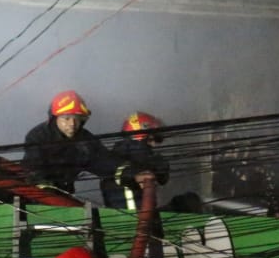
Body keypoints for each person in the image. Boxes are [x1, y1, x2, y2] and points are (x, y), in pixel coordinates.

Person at [22, 90, 155, 201]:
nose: (72, 124)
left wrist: (134, 174)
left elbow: (107, 162)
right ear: (54, 118)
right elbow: (34, 170)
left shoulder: (85, 141)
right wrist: (46, 192)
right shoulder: (38, 136)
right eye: (66, 118)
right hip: (37, 197)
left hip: (65, 195)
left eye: (77, 119)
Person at [100, 112, 170, 211]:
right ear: (143, 136)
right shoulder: (136, 152)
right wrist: (159, 162)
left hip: (127, 214)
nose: (154, 144)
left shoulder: (117, 153)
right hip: (133, 215)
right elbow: (162, 175)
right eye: (152, 139)